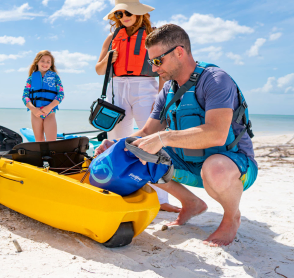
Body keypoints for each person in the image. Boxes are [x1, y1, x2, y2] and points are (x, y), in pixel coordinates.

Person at [96, 24, 257, 247]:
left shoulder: (216, 80)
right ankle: (190, 202)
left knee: (215, 168)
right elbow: (146, 132)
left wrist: (165, 138)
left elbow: (218, 134)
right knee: (135, 154)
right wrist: (116, 144)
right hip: (189, 162)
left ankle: (231, 218)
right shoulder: (167, 91)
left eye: (157, 61)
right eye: (150, 62)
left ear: (179, 52)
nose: (153, 69)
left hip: (233, 164)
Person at [95, 0, 180, 213]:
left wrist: (160, 98)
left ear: (139, 12)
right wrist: (108, 59)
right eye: (119, 13)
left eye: (127, 11)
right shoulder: (112, 38)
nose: (124, 16)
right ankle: (115, 187)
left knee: (152, 142)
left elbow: (163, 70)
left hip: (146, 88)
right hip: (118, 88)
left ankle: (162, 200)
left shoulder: (152, 36)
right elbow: (98, 70)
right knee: (116, 140)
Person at [22, 50, 64, 142]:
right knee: (39, 141)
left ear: (51, 64)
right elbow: (25, 96)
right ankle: (41, 156)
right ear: (37, 62)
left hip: (50, 112)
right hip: (35, 113)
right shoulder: (31, 78)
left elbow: (61, 95)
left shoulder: (55, 77)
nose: (45, 63)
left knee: (51, 142)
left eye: (48, 62)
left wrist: (49, 107)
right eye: (43, 61)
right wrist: (33, 109)